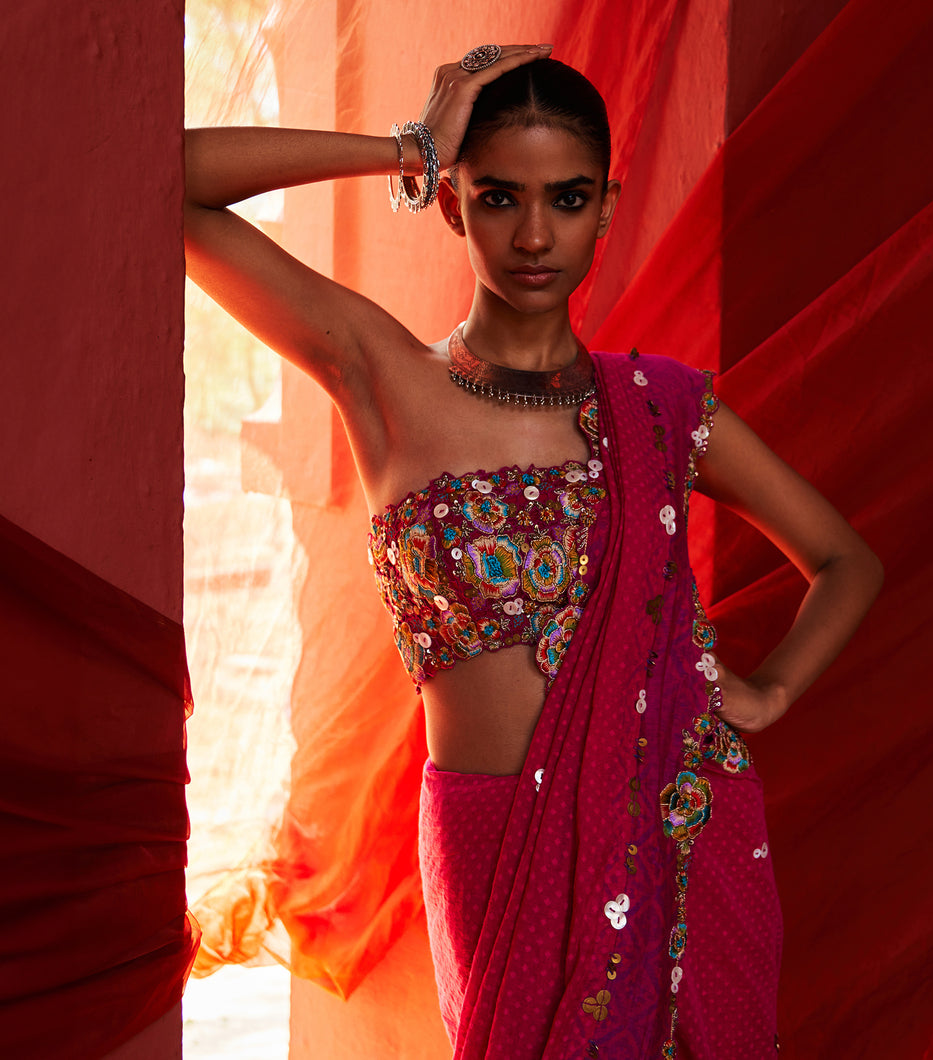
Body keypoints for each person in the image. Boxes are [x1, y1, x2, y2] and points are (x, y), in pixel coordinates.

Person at [184, 44, 883, 1060]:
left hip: (680, 824)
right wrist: (406, 145)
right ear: (452, 204)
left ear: (605, 207)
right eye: (500, 196)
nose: (534, 233)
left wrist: (769, 691)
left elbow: (844, 559)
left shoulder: (662, 412)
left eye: (566, 198)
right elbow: (184, 186)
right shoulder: (385, 378)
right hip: (490, 831)